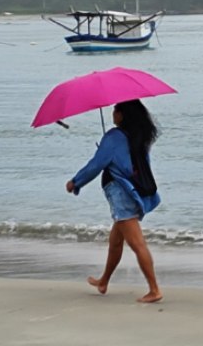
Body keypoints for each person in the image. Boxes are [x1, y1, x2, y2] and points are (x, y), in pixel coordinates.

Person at [65, 99, 162, 303]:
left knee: (137, 244)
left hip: (121, 195)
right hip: (132, 193)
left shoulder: (114, 136)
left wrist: (75, 182)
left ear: (123, 114)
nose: (112, 113)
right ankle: (104, 281)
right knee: (116, 242)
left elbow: (96, 165)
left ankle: (154, 290)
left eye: (115, 110)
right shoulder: (138, 137)